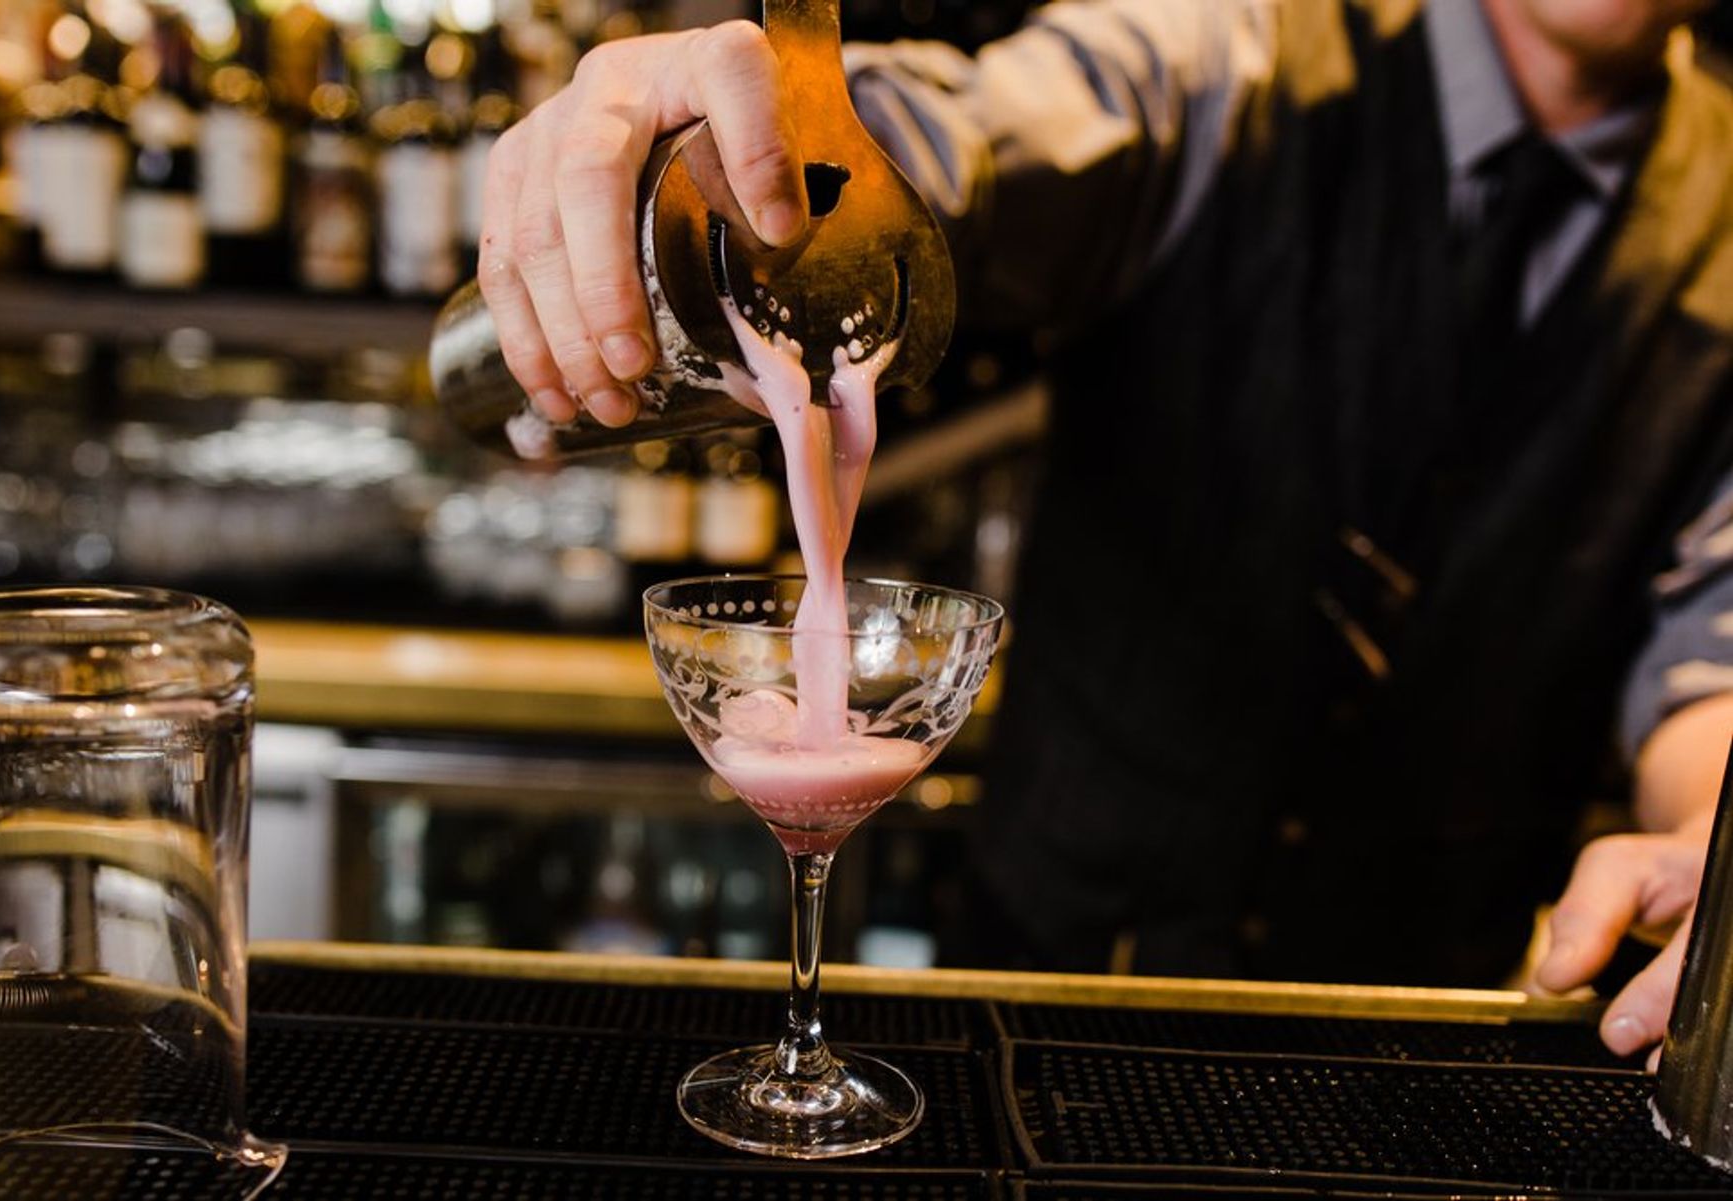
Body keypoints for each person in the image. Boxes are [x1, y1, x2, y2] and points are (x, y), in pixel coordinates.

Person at [475, 0, 1733, 1064]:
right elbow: (954, 140)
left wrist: (1711, 847)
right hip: (1057, 1002)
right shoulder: (1220, 55)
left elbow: (1710, 657)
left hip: (1422, 1038)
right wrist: (726, 144)